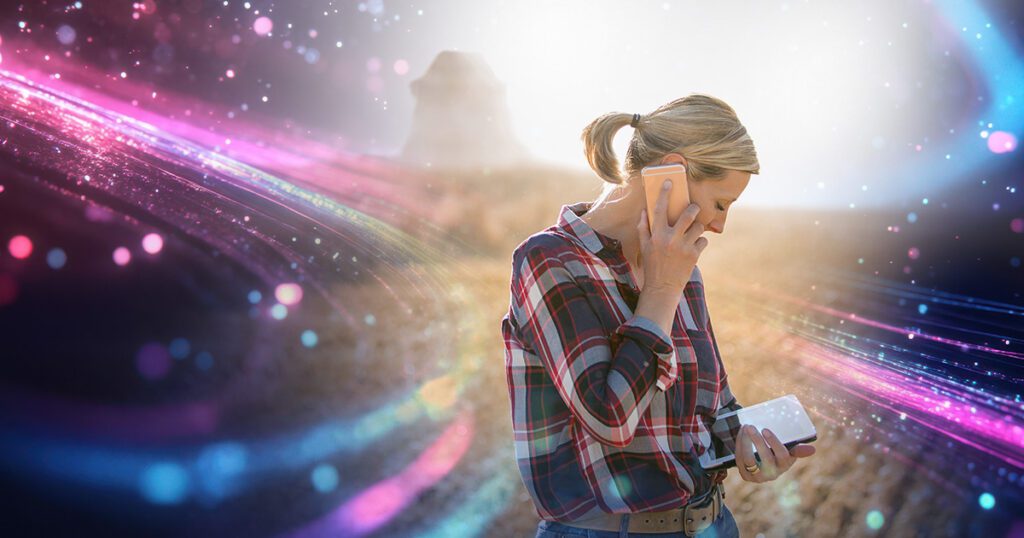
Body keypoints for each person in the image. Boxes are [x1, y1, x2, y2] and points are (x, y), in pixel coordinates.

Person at [501, 94, 816, 537]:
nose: (720, 226)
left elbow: (712, 409)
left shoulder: (682, 269)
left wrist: (743, 443)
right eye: (720, 203)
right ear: (672, 174)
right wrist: (661, 289)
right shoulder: (550, 261)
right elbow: (610, 420)